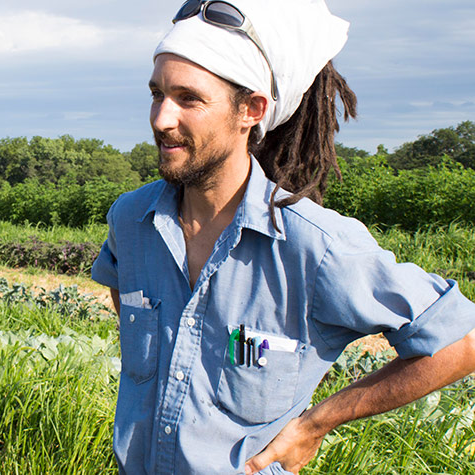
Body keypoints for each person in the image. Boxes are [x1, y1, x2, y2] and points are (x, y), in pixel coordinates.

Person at [90, 0, 475, 473]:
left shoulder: (315, 246)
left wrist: (316, 424)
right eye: (157, 94)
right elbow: (124, 295)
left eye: (188, 99)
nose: (161, 118)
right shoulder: (131, 221)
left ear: (251, 110)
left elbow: (462, 342)